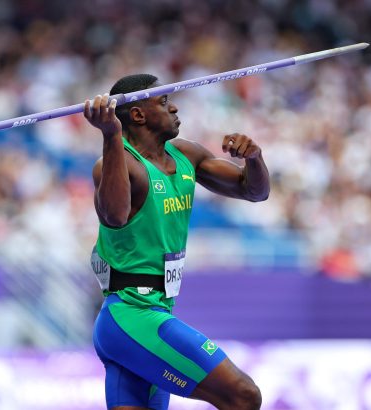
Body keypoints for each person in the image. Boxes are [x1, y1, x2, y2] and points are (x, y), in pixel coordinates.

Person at [85, 74, 269, 410]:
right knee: (244, 395)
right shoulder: (116, 163)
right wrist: (111, 134)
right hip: (131, 315)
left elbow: (254, 191)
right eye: (164, 102)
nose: (175, 107)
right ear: (138, 115)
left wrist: (254, 158)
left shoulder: (186, 155)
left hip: (155, 309)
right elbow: (114, 215)